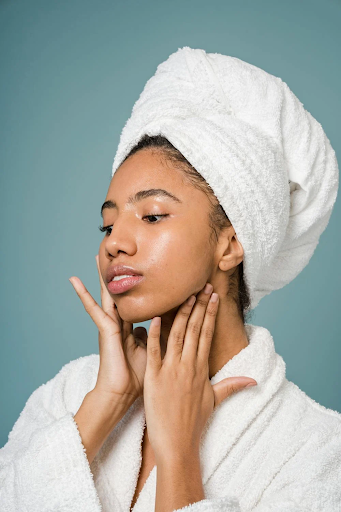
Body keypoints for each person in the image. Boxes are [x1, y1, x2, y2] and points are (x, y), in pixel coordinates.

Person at [0, 47, 340, 512]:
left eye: (153, 215)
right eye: (108, 224)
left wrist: (179, 457)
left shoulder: (317, 450)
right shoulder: (71, 393)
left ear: (229, 244)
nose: (114, 243)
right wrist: (107, 402)